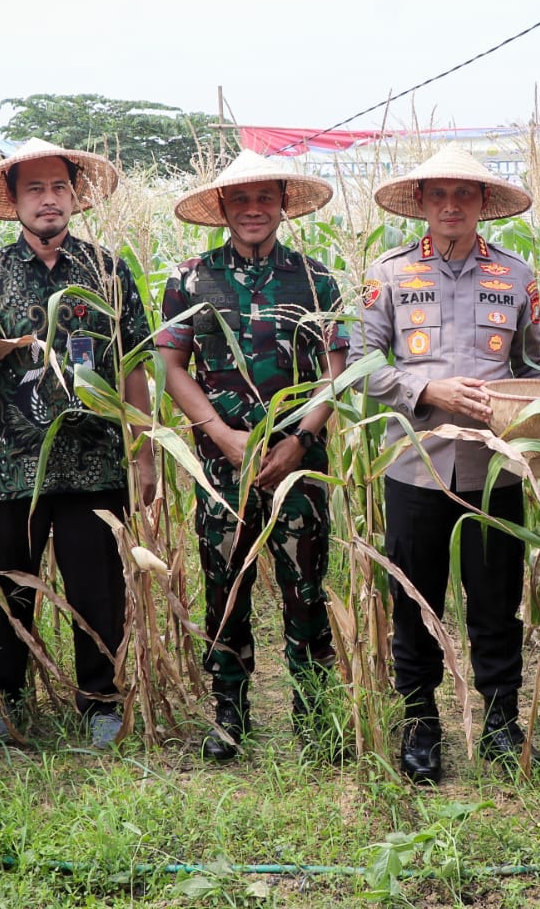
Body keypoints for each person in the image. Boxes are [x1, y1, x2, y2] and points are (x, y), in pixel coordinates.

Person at [349, 144, 540, 782]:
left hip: (496, 469)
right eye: (440, 195)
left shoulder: (518, 277)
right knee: (416, 598)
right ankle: (421, 724)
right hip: (416, 465)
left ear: (484, 204)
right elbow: (361, 365)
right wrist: (426, 392)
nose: (452, 206)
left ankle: (499, 722)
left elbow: (531, 367)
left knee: (496, 599)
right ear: (423, 204)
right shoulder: (390, 273)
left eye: (465, 195)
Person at [0, 138, 156, 750]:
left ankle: (100, 700)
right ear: (14, 201)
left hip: (94, 466)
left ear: (75, 196)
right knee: (4, 587)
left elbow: (135, 368)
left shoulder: (109, 271)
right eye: (35, 189)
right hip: (8, 468)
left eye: (59, 188)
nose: (49, 200)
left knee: (97, 587)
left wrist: (144, 455)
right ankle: (0, 702)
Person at [156, 150, 346, 761]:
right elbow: (171, 368)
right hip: (221, 466)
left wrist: (300, 440)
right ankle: (229, 712)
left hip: (299, 468)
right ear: (222, 209)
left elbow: (335, 373)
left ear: (283, 204)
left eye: (265, 198)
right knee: (225, 584)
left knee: (305, 586)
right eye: (241, 200)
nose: (254, 210)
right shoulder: (189, 280)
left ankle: (313, 710)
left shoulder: (317, 281)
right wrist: (222, 435)